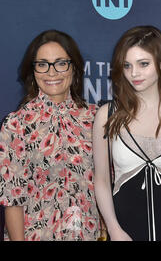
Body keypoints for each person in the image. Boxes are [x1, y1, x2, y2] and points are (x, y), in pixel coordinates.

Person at [93, 25, 161, 241]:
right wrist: (114, 230)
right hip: (125, 231)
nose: (134, 73)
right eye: (127, 65)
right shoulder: (107, 115)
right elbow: (102, 179)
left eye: (143, 64)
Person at [0, 30, 100, 240]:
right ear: (33, 71)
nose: (51, 72)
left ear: (74, 68)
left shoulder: (96, 118)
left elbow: (107, 186)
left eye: (61, 63)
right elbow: (12, 200)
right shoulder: (17, 124)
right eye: (42, 64)